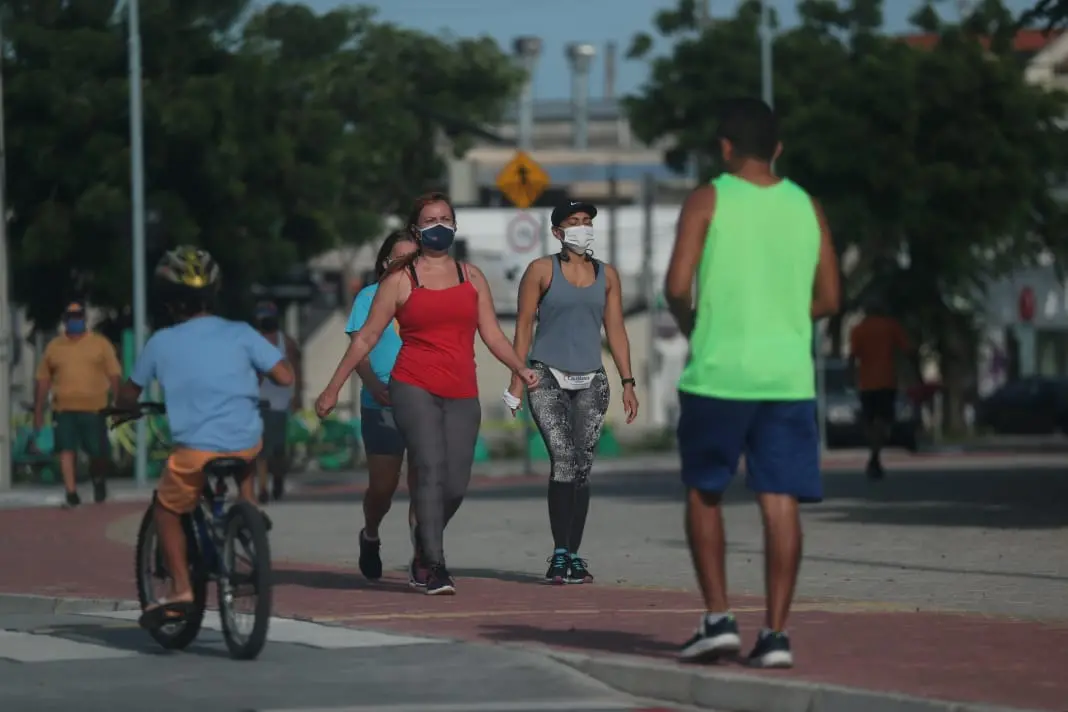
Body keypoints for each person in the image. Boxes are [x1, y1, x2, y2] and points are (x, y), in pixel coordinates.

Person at [663, 98, 839, 668]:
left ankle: (718, 619)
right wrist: (782, 319)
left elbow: (675, 285)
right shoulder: (807, 206)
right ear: (778, 149)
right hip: (786, 378)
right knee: (780, 499)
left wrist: (698, 327)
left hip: (718, 372)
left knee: (705, 491)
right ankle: (777, 635)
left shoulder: (708, 198)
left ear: (725, 148)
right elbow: (832, 298)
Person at [315, 192, 538, 596]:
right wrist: (332, 387)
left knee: (455, 482)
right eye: (430, 219)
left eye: (446, 218)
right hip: (412, 384)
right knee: (430, 466)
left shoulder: (472, 277)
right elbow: (365, 337)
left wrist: (519, 367)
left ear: (455, 225)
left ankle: (424, 541)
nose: (440, 225)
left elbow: (491, 333)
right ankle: (431, 564)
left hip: (461, 389)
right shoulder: (401, 279)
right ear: (417, 231)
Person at [114, 246, 294, 626]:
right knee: (244, 454)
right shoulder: (242, 332)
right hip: (246, 440)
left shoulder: (161, 342)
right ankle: (247, 514)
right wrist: (247, 379)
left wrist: (126, 408)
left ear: (168, 302)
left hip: (195, 451)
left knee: (166, 509)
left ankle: (181, 589)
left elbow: (128, 394)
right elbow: (285, 377)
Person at [506, 200, 639, 585]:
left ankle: (575, 554)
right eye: (574, 222)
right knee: (562, 460)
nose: (583, 228)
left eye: (587, 222)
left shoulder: (607, 276)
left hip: (591, 381)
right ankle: (559, 553)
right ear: (558, 233)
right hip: (546, 375)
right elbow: (523, 330)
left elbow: (616, 330)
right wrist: (517, 381)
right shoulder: (540, 271)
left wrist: (628, 382)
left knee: (582, 468)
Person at [346, 230, 420, 581]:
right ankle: (370, 534)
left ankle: (424, 554)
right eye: (398, 258)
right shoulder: (368, 298)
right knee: (383, 487)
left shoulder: (429, 296)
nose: (405, 265)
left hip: (424, 401)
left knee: (425, 483)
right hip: (381, 403)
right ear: (385, 262)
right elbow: (358, 350)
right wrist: (374, 386)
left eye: (412, 258)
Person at [34, 301, 122, 508]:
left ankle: (98, 480)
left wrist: (119, 401)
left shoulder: (100, 344)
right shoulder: (55, 347)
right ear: (65, 321)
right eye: (71, 318)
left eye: (78, 317)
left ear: (83, 319)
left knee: (98, 453)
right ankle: (71, 492)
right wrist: (38, 409)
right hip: (64, 409)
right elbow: (43, 379)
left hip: (94, 409)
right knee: (66, 449)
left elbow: (114, 374)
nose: (75, 321)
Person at [848, 298, 917, 479]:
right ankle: (875, 455)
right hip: (887, 380)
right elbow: (908, 350)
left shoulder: (858, 329)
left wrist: (849, 377)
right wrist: (913, 372)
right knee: (885, 420)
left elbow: (852, 356)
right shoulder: (890, 326)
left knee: (869, 420)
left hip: (866, 382)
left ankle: (874, 454)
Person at [253, 300, 302, 503]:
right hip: (258, 400)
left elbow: (296, 369)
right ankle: (262, 487)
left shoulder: (286, 342)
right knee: (260, 448)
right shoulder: (253, 342)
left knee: (279, 450)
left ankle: (278, 478)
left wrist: (297, 396)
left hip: (280, 401)